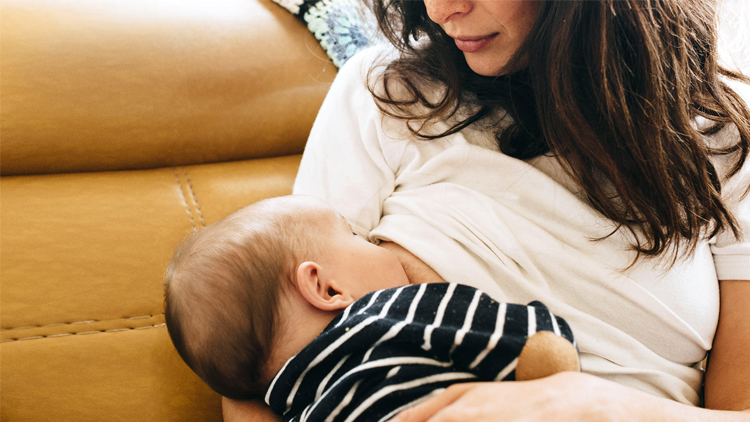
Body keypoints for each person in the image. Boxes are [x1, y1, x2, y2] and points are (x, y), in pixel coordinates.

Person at [224, 1, 750, 421]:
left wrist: (604, 409)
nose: (439, 10)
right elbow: (261, 345)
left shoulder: (722, 136)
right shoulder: (388, 90)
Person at [164, 195, 580, 422]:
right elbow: (536, 345)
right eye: (357, 236)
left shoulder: (287, 405)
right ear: (325, 287)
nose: (377, 242)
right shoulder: (391, 312)